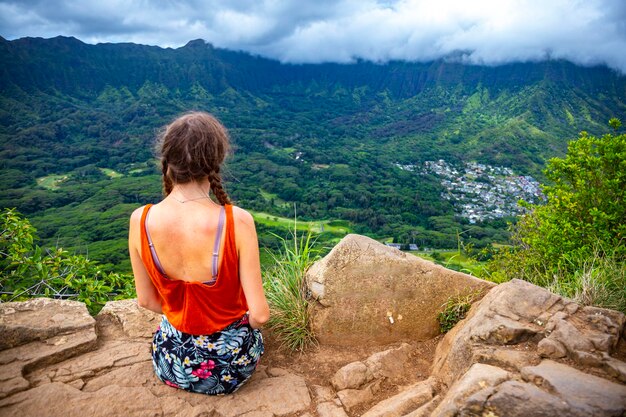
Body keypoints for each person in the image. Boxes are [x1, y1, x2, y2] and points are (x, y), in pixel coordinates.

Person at [128, 111, 270, 395]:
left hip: (170, 361)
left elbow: (146, 300)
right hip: (228, 368)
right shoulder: (236, 222)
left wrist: (185, 315)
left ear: (168, 162)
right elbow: (261, 315)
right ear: (215, 162)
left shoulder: (140, 220)